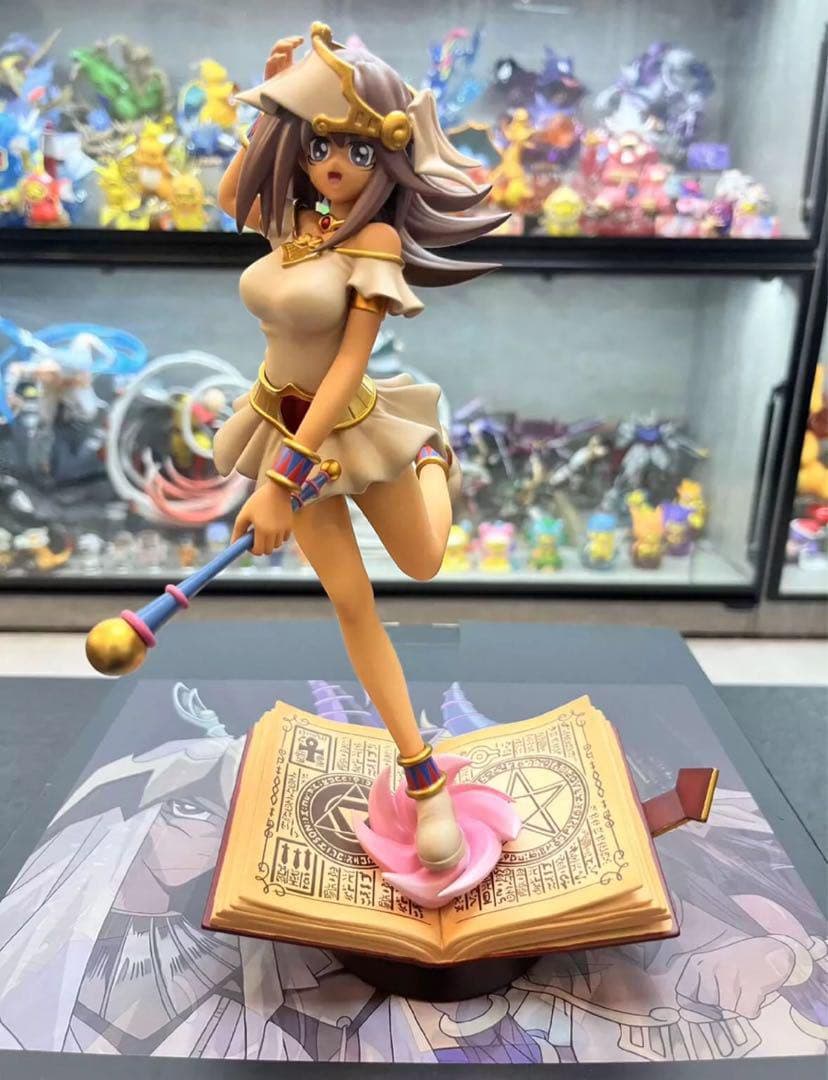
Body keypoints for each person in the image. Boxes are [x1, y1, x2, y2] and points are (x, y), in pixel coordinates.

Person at [213, 23, 505, 873]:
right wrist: (273, 107)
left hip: (349, 431)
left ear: (387, 156)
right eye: (319, 144)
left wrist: (281, 482)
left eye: (355, 148)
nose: (332, 163)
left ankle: (430, 454)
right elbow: (233, 195)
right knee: (350, 602)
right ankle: (423, 776)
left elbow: (345, 369)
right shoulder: (292, 222)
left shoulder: (370, 243)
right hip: (279, 422)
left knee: (422, 563)